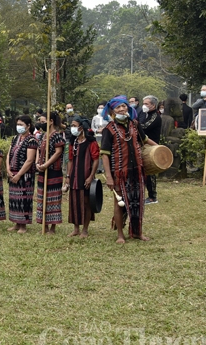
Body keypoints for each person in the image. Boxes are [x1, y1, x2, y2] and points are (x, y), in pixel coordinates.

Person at [101, 96, 157, 243]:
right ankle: (120, 234)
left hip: (137, 170)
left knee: (137, 202)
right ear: (112, 111)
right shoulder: (109, 129)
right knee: (119, 203)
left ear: (128, 108)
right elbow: (105, 155)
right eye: (118, 107)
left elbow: (144, 140)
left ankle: (137, 232)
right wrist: (108, 176)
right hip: (119, 171)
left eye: (124, 106)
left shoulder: (134, 124)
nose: (121, 109)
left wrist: (160, 149)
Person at [65, 117, 100, 238]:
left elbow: (96, 160)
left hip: (85, 175)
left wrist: (91, 177)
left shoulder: (91, 142)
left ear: (81, 127)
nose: (72, 128)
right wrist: (68, 176)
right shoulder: (73, 142)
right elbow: (70, 160)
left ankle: (85, 229)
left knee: (86, 202)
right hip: (74, 176)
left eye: (74, 125)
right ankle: (76, 228)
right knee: (74, 202)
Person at [6, 115, 38, 233]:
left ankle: (23, 225)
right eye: (17, 124)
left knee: (24, 199)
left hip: (25, 175)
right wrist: (8, 170)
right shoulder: (15, 138)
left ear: (28, 126)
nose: (18, 127)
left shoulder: (32, 140)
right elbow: (9, 155)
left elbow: (29, 160)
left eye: (21, 125)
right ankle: (16, 223)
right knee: (14, 199)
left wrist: (19, 175)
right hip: (12, 173)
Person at [35, 112, 66, 234]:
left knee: (53, 199)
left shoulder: (57, 136)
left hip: (54, 171)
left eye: (44, 121)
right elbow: (38, 150)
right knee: (42, 198)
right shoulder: (43, 136)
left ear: (51, 121)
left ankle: (52, 227)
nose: (42, 124)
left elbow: (58, 152)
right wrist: (38, 163)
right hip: (42, 171)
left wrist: (47, 164)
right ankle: (45, 226)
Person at [140, 96, 162, 205]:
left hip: (151, 147)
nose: (144, 106)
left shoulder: (155, 116)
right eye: (143, 103)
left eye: (147, 104)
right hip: (143, 146)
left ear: (153, 105)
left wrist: (134, 123)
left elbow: (144, 127)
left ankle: (153, 197)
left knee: (150, 172)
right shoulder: (145, 114)